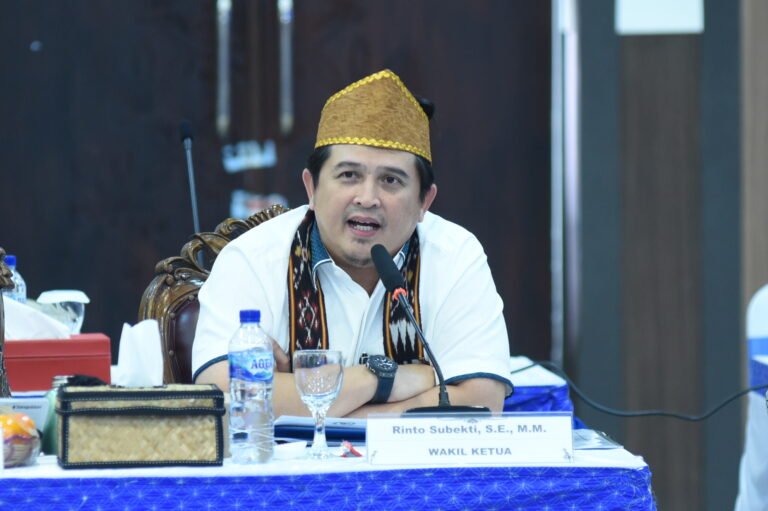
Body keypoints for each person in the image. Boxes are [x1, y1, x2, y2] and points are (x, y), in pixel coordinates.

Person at [192, 69, 512, 417]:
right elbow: (223, 395)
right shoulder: (253, 258)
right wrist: (380, 379)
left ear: (425, 201)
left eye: (391, 180)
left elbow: (481, 402)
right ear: (311, 188)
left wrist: (326, 413)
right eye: (349, 176)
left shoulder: (455, 256)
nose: (367, 198)